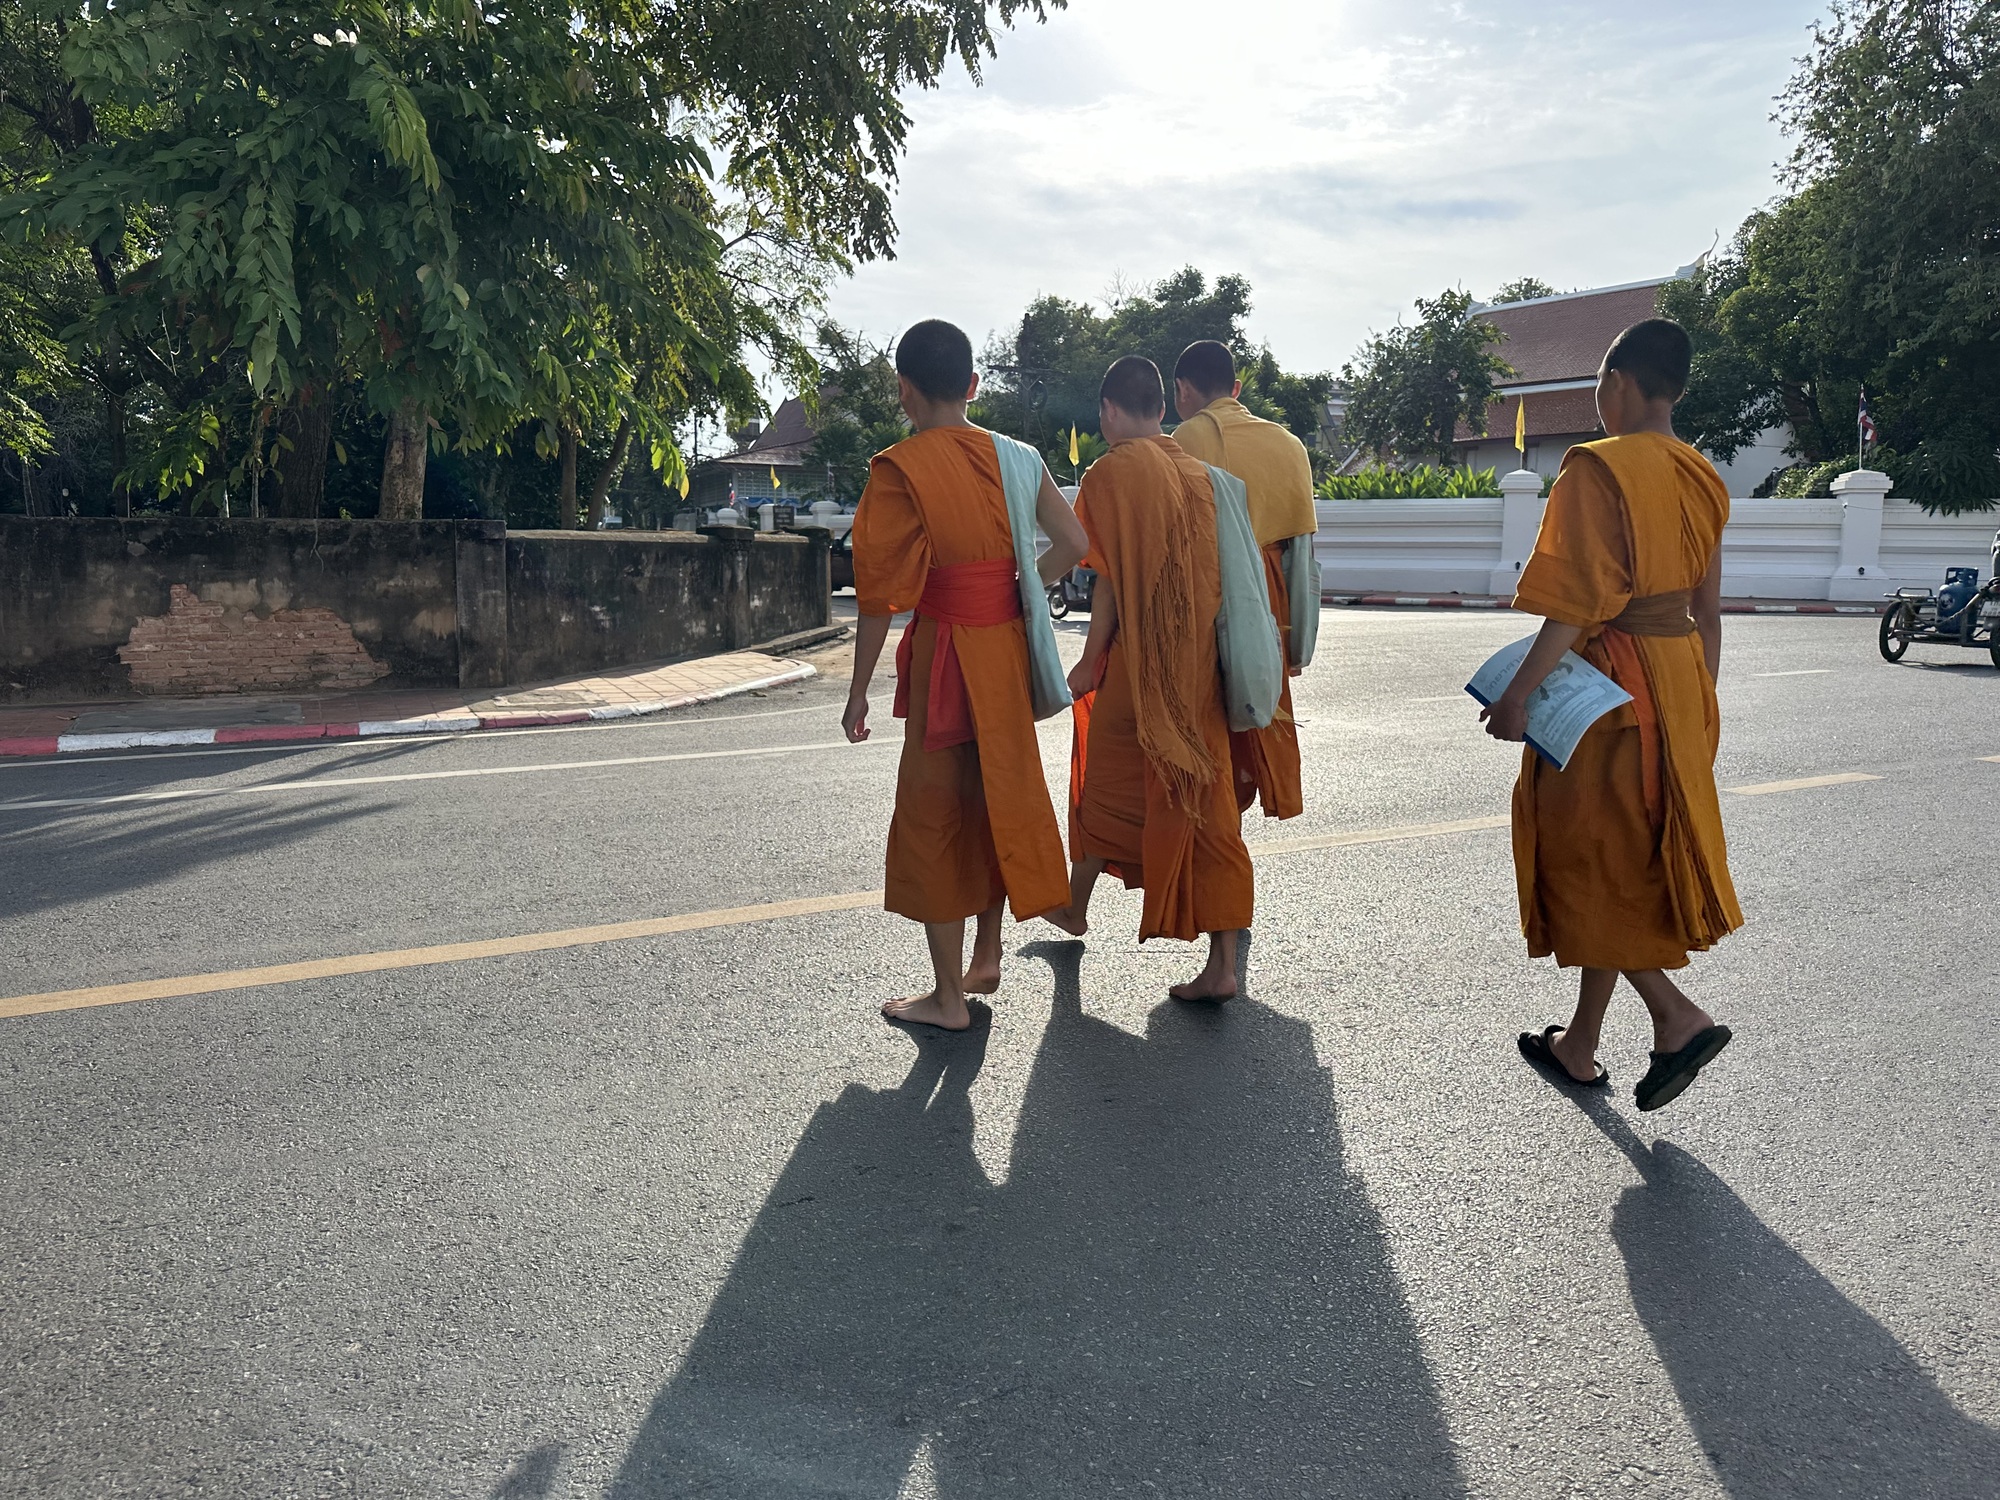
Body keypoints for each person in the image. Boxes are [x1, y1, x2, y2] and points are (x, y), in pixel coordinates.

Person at [1480, 317, 1743, 1111]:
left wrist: (1518, 696)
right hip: (1678, 680)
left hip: (1611, 694)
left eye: (1599, 385)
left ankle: (1675, 1016)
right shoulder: (1703, 474)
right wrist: (1700, 707)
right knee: (1619, 859)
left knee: (1584, 855)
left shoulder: (1597, 468)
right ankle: (1581, 1043)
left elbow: (1573, 607)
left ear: (1617, 383)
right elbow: (1708, 610)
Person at [844, 319, 1089, 1032]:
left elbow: (878, 598)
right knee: (996, 800)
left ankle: (949, 998)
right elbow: (1073, 542)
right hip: (1003, 654)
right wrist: (1017, 586)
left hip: (947, 658)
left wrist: (858, 693)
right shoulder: (1020, 456)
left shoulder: (901, 467)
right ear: (974, 385)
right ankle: (987, 954)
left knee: (936, 817)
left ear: (904, 391)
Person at [1045, 355, 1256, 1001]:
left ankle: (1075, 907)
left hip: (1142, 669)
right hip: (1202, 673)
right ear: (1162, 410)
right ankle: (1223, 964)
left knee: (1105, 785)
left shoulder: (1107, 474)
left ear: (1108, 411)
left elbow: (1107, 579)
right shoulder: (1203, 476)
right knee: (1207, 805)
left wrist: (1090, 659)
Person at [1168, 340, 1317, 820]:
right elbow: (1302, 555)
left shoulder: (1184, 439)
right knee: (1257, 704)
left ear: (1182, 389)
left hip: (1214, 590)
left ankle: (1216, 825)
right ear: (1235, 389)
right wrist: (1296, 644)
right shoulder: (1289, 444)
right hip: (1272, 597)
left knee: (1208, 717)